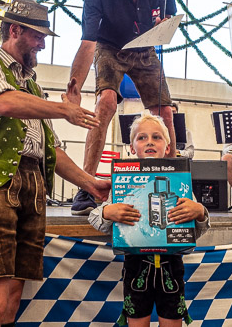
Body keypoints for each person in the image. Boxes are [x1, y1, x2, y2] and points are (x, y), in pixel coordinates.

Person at [0, 0, 111, 327]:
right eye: (38, 36)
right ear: (14, 30)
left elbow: (51, 149)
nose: (42, 45)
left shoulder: (33, 87)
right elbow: (2, 102)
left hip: (31, 188)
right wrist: (64, 109)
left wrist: (90, 184)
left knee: (11, 300)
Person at [66, 0, 178, 215]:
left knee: (165, 112)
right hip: (110, 47)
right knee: (105, 104)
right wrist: (74, 87)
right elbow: (88, 43)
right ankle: (87, 187)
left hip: (145, 45)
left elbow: (170, 14)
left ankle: (177, 179)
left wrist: (163, 25)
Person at [89, 112, 209, 326]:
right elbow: (95, 218)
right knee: (137, 321)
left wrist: (199, 212)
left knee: (172, 321)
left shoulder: (180, 184)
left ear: (168, 147)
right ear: (132, 147)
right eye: (142, 137)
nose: (150, 142)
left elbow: (194, 232)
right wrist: (107, 212)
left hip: (172, 267)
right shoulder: (122, 183)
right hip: (135, 267)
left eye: (157, 137)